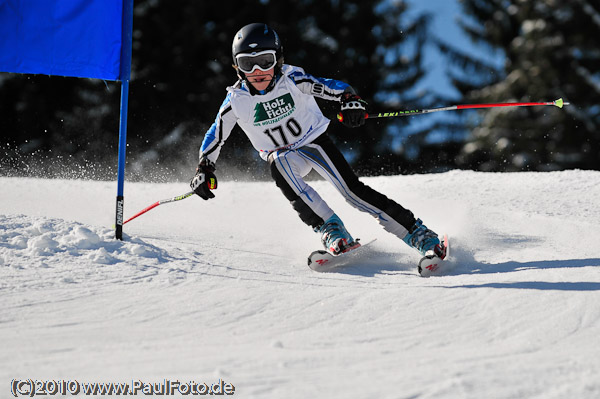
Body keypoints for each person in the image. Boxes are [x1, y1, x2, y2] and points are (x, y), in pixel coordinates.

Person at [190, 23, 445, 260]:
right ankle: (332, 230)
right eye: (248, 64)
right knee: (278, 164)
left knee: (352, 192)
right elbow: (216, 134)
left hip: (313, 143)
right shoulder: (236, 100)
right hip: (284, 156)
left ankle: (418, 233)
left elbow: (329, 86)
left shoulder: (292, 79)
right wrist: (205, 167)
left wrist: (348, 99)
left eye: (265, 61)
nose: (257, 72)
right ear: (237, 67)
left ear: (278, 59)